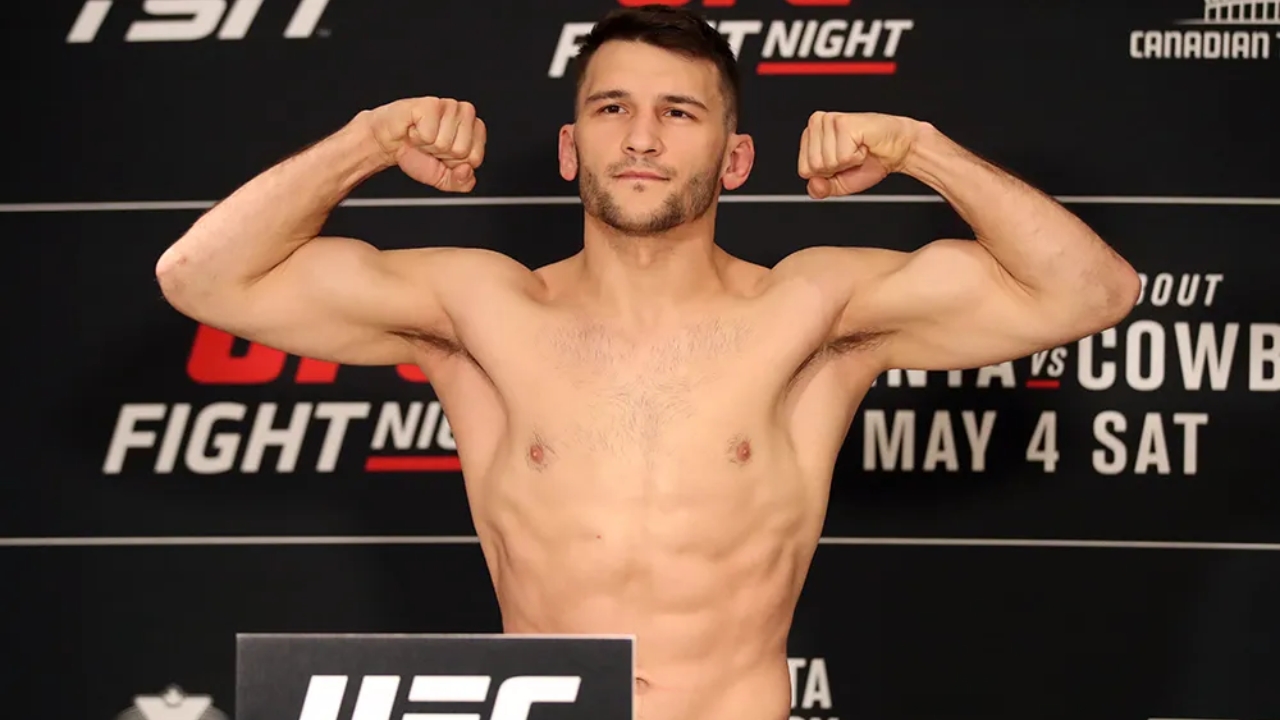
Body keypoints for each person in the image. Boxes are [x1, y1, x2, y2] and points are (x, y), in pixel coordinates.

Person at [155, 5, 1139, 719]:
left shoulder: (811, 309)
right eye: (611, 108)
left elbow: (1093, 294)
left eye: (678, 113)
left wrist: (922, 150)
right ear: (569, 147)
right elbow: (201, 276)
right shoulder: (481, 310)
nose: (639, 138)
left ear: (734, 158)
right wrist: (365, 141)